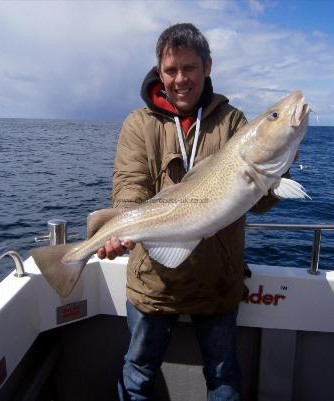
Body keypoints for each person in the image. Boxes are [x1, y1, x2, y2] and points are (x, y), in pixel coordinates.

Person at [98, 23, 278, 401]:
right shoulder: (139, 124)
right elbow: (130, 186)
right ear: (159, 73)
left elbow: (261, 201)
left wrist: (279, 161)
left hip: (217, 281)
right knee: (137, 375)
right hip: (154, 283)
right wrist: (121, 227)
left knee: (224, 379)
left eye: (190, 68)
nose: (180, 79)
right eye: (171, 70)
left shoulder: (232, 122)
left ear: (207, 66)